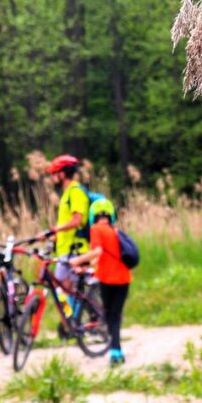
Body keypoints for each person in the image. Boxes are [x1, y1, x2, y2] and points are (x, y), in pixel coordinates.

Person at [70, 197, 130, 366]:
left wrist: (77, 261)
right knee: (115, 315)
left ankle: (115, 351)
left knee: (110, 315)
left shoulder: (96, 229)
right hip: (124, 279)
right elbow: (105, 255)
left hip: (107, 280)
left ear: (92, 215)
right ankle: (116, 350)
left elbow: (97, 251)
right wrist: (87, 264)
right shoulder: (115, 231)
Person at [43, 155, 90, 293]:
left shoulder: (75, 192)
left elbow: (77, 221)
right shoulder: (67, 194)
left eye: (54, 174)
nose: (52, 178)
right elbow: (66, 224)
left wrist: (57, 228)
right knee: (66, 292)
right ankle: (78, 314)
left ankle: (90, 314)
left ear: (62, 174)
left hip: (75, 250)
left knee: (63, 291)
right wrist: (52, 236)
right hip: (65, 251)